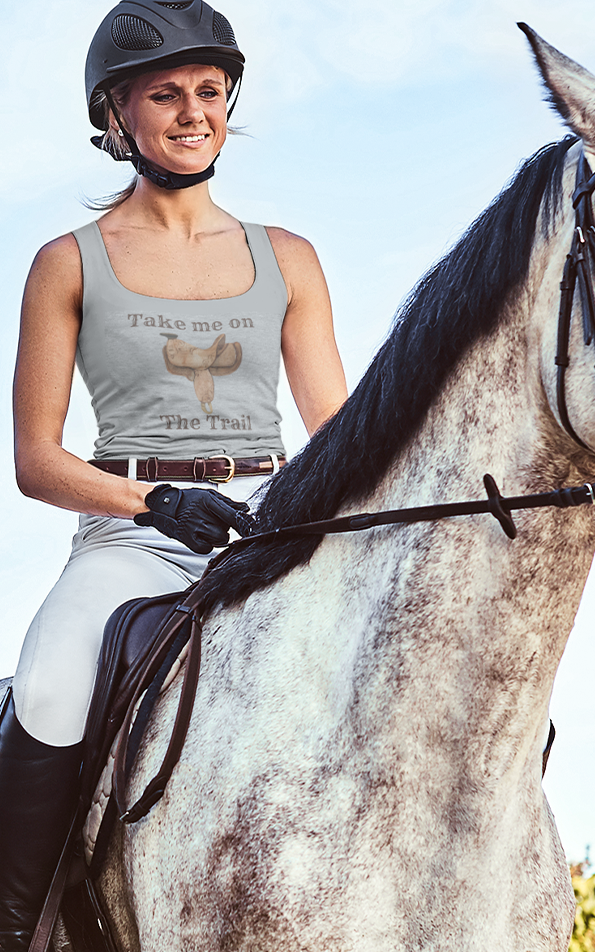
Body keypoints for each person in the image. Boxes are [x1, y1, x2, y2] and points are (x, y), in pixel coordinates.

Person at [0, 2, 348, 947]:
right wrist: (156, 499)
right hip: (133, 534)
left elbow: (338, 435)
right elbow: (37, 461)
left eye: (209, 91)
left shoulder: (288, 259)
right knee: (51, 683)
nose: (194, 111)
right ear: (117, 116)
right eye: (166, 94)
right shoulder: (65, 264)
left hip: (270, 523)